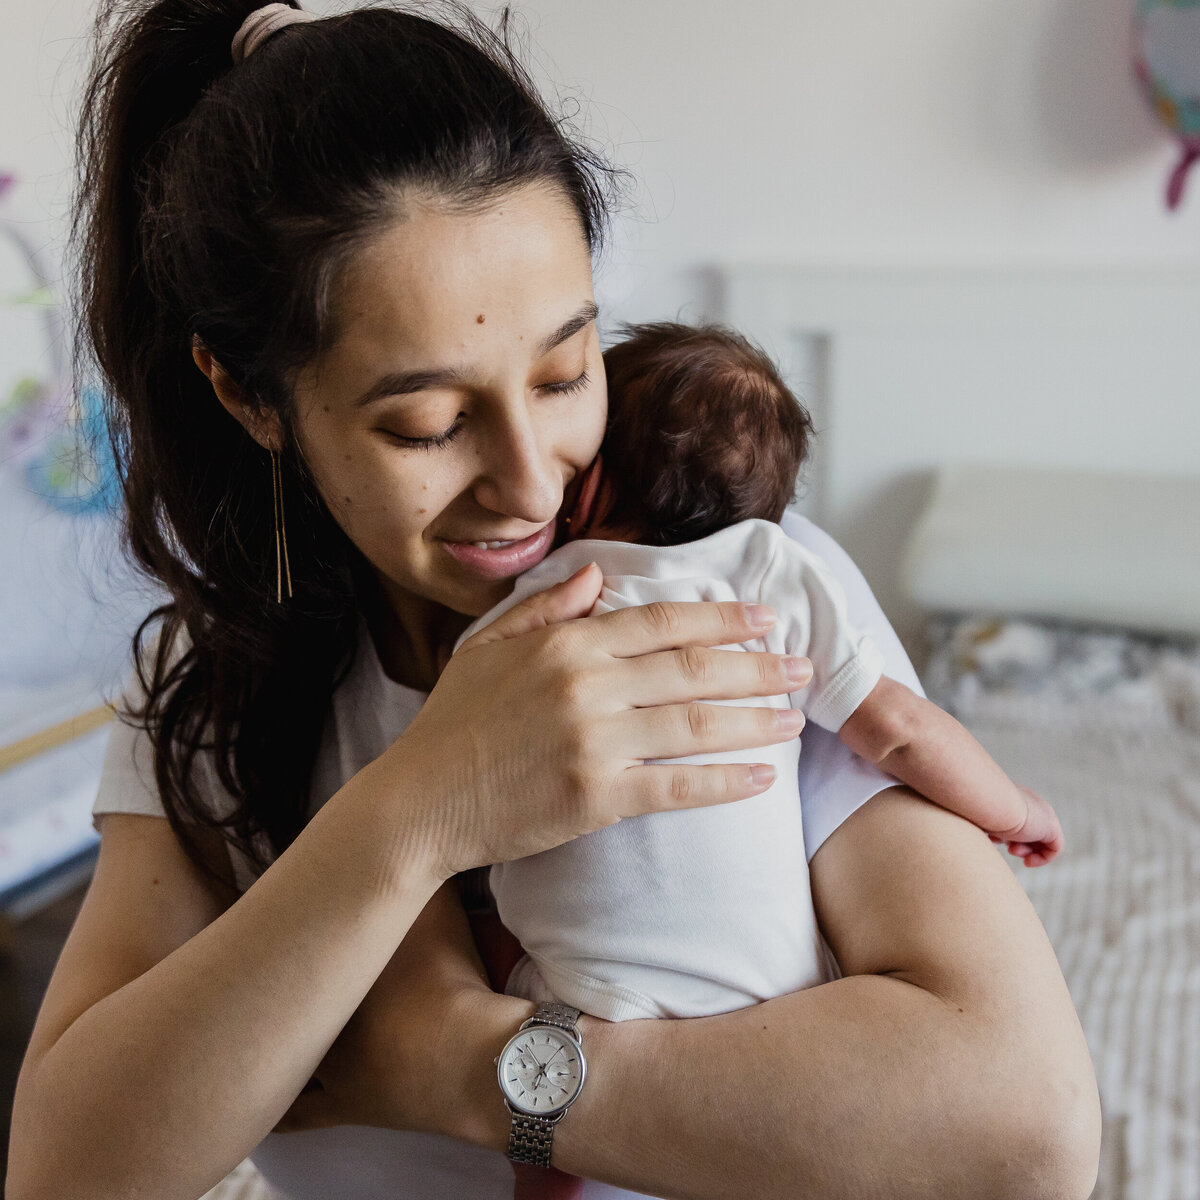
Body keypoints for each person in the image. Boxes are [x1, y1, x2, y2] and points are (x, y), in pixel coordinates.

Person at [5, 3, 1101, 1200]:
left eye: (567, 370)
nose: (535, 484)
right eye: (427, 423)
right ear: (252, 396)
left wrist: (457, 1068)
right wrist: (418, 814)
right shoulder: (216, 701)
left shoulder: (724, 582)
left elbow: (1025, 1133)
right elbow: (68, 1174)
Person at [461, 321, 1064, 1036]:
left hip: (581, 992)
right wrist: (1013, 809)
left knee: (484, 960)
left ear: (587, 486)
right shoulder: (769, 571)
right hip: (771, 992)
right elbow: (901, 732)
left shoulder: (530, 604)